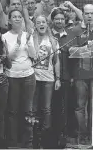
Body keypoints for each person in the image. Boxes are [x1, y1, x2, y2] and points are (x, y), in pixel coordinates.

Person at [68, 4, 93, 146]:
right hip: (81, 74)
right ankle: (83, 135)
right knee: (80, 106)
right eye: (87, 13)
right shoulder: (76, 30)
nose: (90, 16)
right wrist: (86, 48)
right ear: (83, 15)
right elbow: (70, 50)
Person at [2, 9, 37, 148]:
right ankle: (13, 142)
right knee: (12, 110)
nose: (17, 19)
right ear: (9, 20)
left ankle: (28, 142)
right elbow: (8, 58)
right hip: (12, 76)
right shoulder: (5, 36)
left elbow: (33, 55)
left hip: (28, 75)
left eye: (19, 16)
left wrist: (28, 42)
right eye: (14, 17)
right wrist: (17, 43)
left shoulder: (28, 35)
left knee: (28, 109)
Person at [32, 15, 61, 147]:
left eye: (43, 22)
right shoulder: (31, 39)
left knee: (47, 108)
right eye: (38, 22)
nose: (41, 24)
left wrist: (58, 78)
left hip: (49, 79)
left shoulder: (53, 41)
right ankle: (34, 136)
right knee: (33, 108)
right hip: (33, 78)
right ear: (35, 25)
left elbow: (56, 61)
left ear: (47, 24)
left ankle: (46, 136)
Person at [50, 9, 76, 142]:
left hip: (66, 78)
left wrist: (72, 76)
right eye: (57, 19)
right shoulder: (48, 35)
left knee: (65, 108)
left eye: (62, 19)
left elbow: (74, 58)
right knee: (51, 108)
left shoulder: (71, 35)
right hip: (49, 78)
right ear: (52, 20)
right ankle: (51, 136)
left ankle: (63, 135)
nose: (59, 21)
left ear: (65, 20)